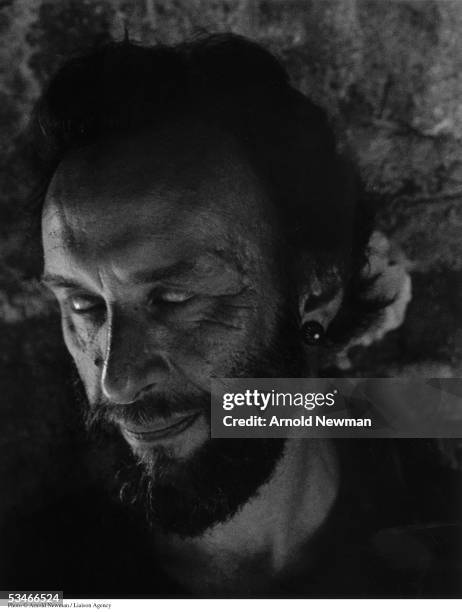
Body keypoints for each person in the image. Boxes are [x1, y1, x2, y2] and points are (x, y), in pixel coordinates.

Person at [3, 34, 458, 597]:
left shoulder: (429, 493)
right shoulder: (36, 586)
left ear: (316, 290)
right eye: (83, 305)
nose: (117, 381)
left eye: (173, 299)